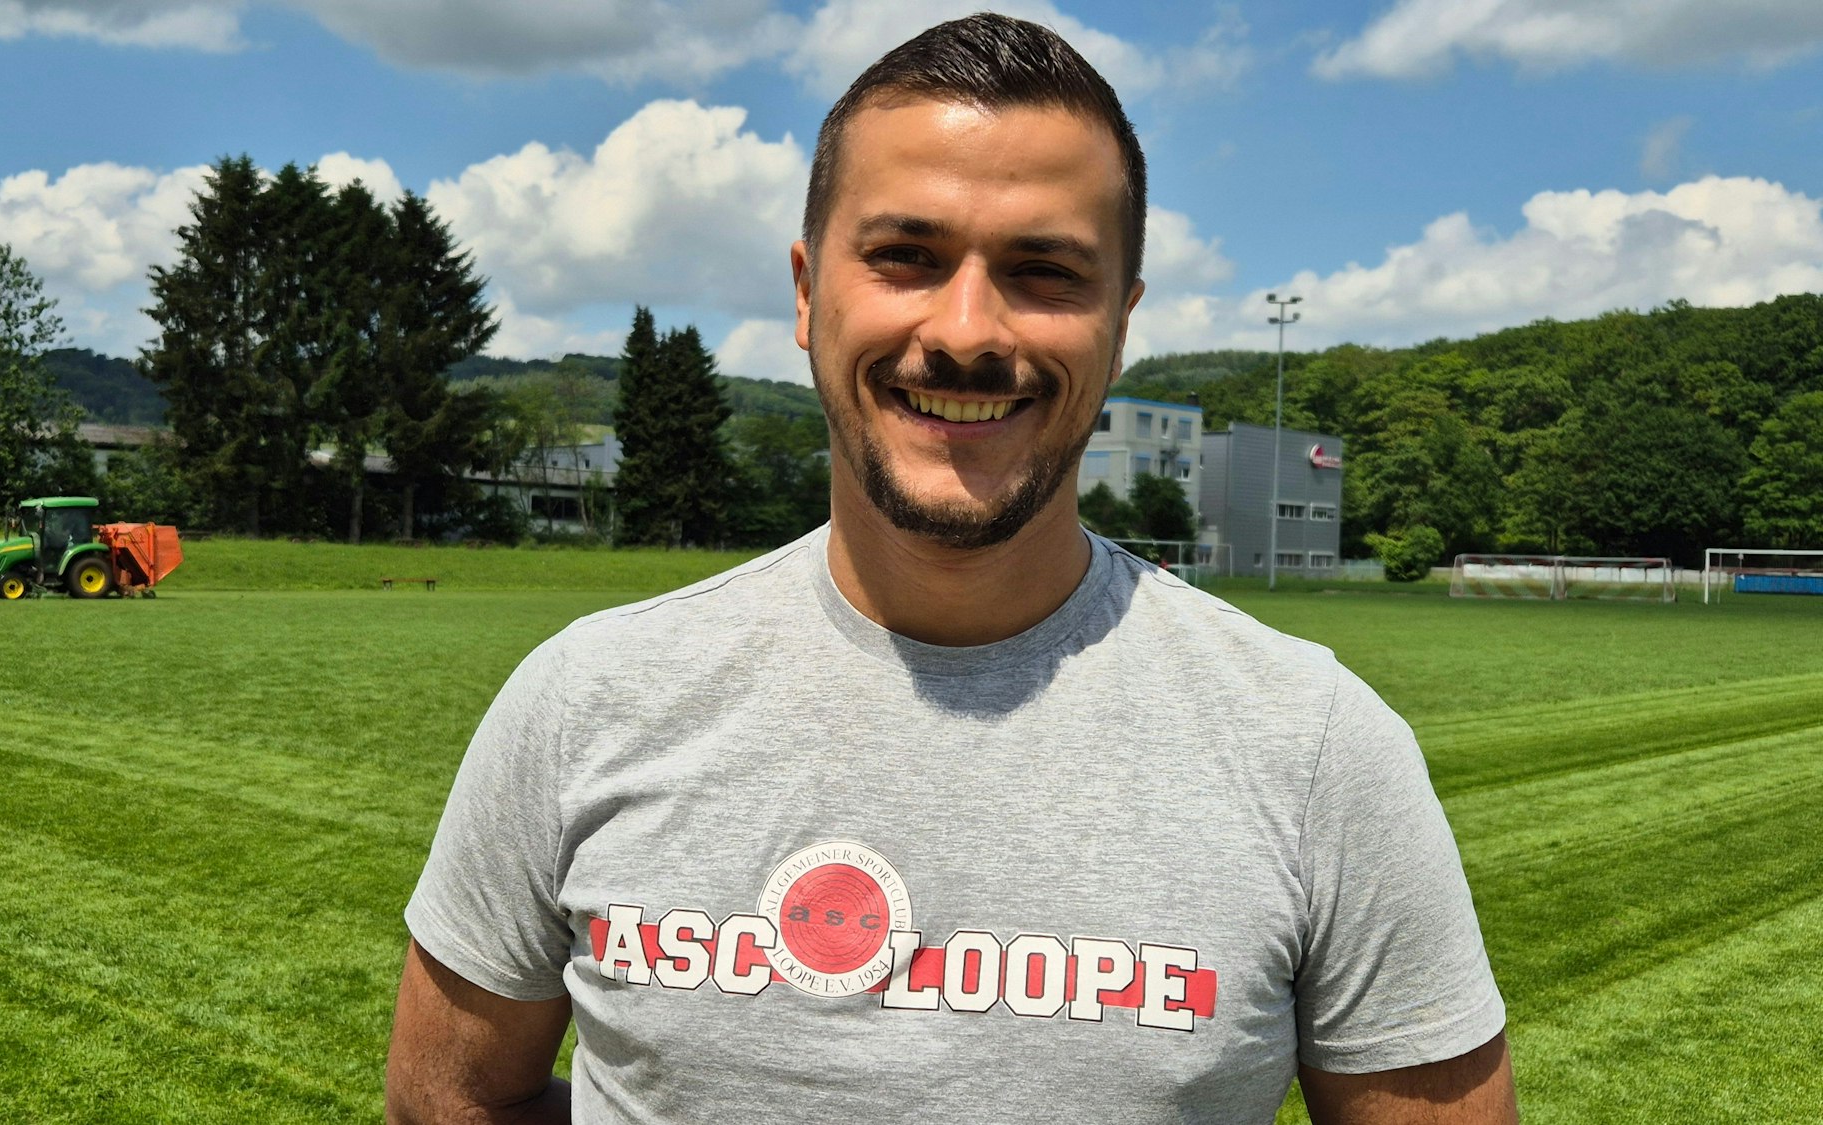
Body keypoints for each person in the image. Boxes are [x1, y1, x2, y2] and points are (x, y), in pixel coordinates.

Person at [385, 14, 1516, 1124]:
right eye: (903, 257)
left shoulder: (1315, 747)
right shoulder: (585, 699)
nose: (967, 330)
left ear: (1120, 327)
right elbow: (445, 1100)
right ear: (803, 291)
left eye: (1043, 271)